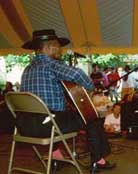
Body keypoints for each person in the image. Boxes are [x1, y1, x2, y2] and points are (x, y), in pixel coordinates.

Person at [20, 29, 116, 173]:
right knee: (92, 117)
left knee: (56, 116)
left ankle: (57, 158)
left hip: (25, 126)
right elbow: (77, 73)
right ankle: (98, 161)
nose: (60, 50)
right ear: (48, 48)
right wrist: (90, 87)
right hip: (48, 125)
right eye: (58, 46)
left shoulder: (27, 70)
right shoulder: (51, 64)